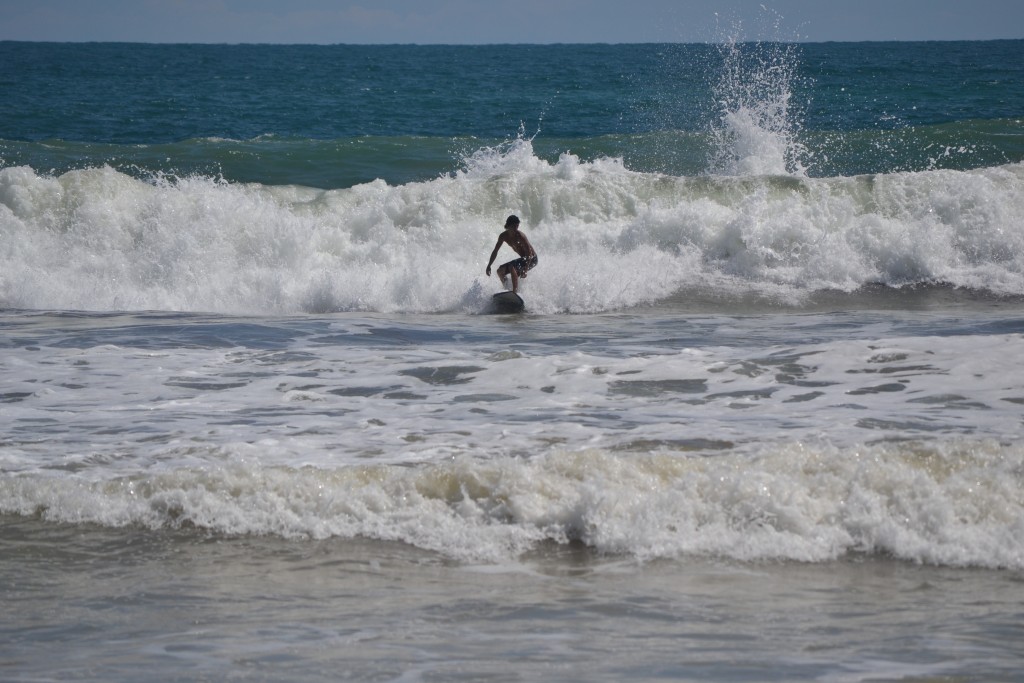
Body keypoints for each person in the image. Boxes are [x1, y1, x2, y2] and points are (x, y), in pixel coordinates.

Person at [485, 215, 537, 294]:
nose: (516, 228)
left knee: (512, 267)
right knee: (500, 271)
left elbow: (529, 253)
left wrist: (525, 269)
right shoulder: (503, 236)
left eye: (517, 226)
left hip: (532, 259)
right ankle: (507, 289)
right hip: (524, 259)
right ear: (508, 226)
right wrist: (489, 265)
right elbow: (495, 251)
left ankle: (514, 293)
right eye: (514, 226)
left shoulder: (520, 236)